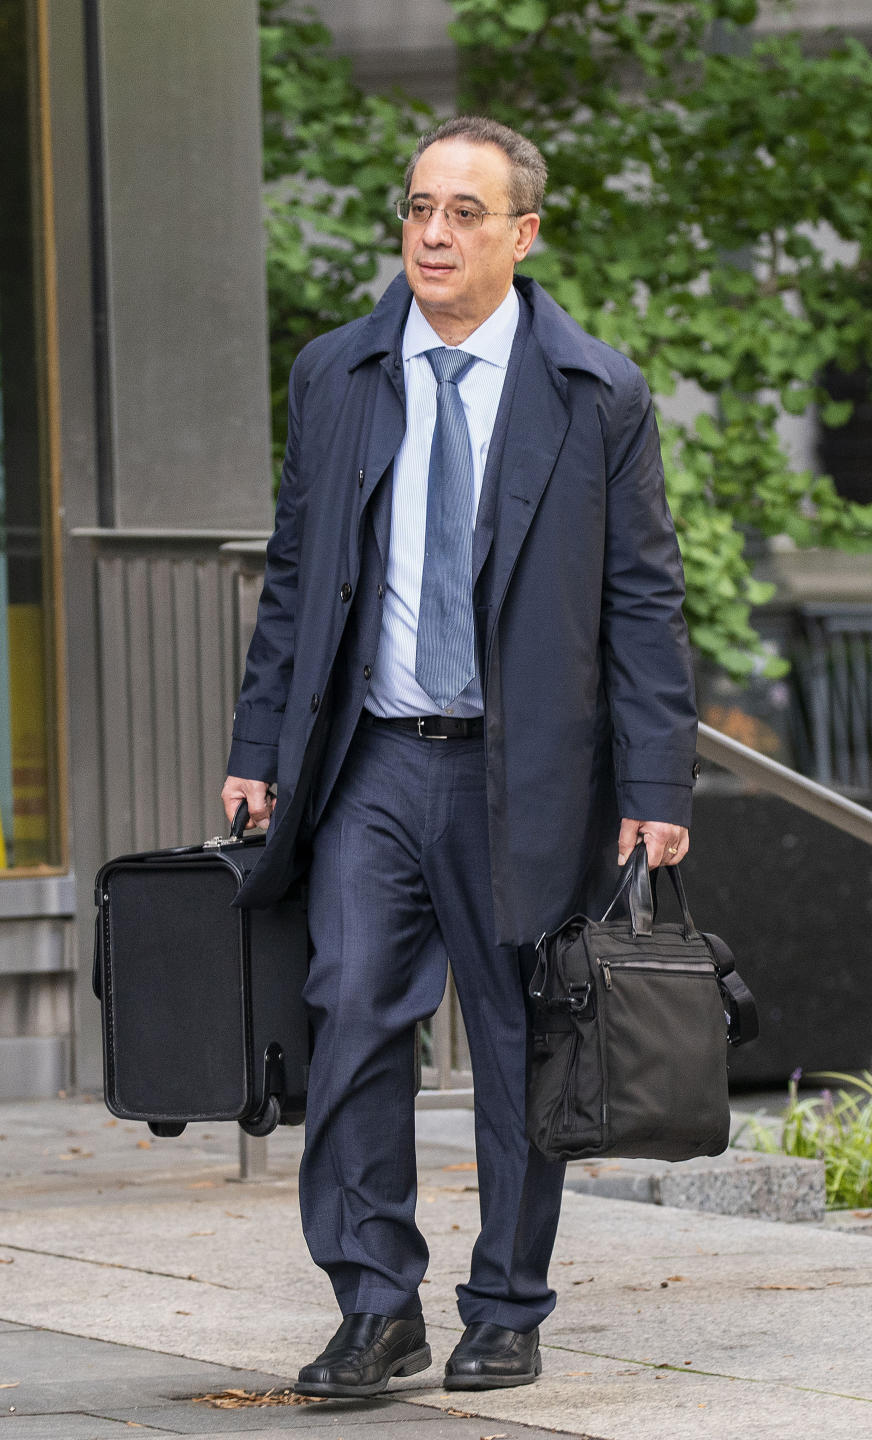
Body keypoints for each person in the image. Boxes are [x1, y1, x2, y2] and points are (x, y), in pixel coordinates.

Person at [222, 115, 697, 1397]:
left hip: (525, 772)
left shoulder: (597, 392)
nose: (433, 234)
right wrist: (258, 745)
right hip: (372, 763)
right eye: (420, 208)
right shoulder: (338, 373)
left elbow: (646, 601)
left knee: (516, 1040)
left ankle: (507, 1302)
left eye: (465, 213)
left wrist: (655, 786)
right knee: (351, 1015)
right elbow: (294, 578)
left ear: (522, 233)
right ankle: (377, 1304)